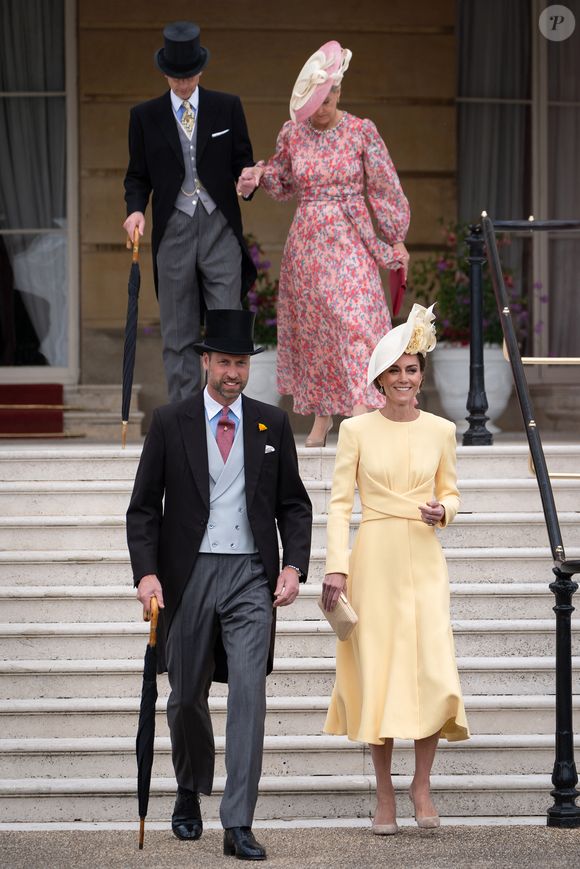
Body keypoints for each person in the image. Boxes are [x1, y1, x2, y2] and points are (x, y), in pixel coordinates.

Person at [126, 309, 312, 861]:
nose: (233, 372)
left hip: (250, 576)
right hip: (187, 576)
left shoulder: (270, 424)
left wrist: (293, 566)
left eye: (241, 363)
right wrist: (147, 573)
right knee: (185, 698)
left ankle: (238, 823)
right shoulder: (170, 421)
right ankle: (189, 789)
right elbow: (142, 511)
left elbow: (293, 505)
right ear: (205, 362)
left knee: (250, 696)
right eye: (224, 361)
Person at [321, 303, 469, 834]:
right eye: (395, 371)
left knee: (431, 670)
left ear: (420, 375)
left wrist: (444, 511)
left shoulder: (443, 431)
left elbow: (450, 492)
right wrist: (335, 568)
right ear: (379, 379)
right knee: (380, 673)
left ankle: (421, 784)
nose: (404, 379)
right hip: (375, 556)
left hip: (426, 557)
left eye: (412, 369)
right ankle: (384, 795)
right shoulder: (355, 430)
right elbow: (339, 504)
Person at [237, 41, 410, 447]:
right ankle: (321, 416)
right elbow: (282, 181)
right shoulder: (292, 133)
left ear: (339, 93)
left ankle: (361, 409)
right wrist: (259, 176)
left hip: (351, 237)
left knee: (356, 323)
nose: (323, 108)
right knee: (316, 331)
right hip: (308, 242)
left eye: (329, 99)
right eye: (316, 103)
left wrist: (395, 237)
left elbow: (384, 185)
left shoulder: (360, 130)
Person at [123, 21, 257, 402]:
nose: (183, 84)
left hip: (220, 229)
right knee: (178, 331)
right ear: (166, 72)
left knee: (228, 327)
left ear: (201, 70)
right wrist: (135, 211)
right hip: (173, 230)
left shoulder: (227, 107)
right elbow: (136, 176)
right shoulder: (144, 116)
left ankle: (228, 410)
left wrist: (248, 182)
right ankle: (184, 418)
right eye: (176, 77)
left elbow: (242, 164)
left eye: (190, 76)